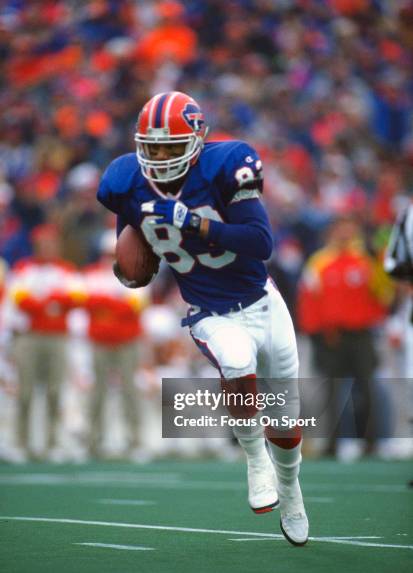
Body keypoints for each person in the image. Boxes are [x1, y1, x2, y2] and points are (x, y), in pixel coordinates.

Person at [97, 91, 308, 546]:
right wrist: (133, 268)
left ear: (197, 140)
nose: (160, 157)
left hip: (262, 302)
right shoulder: (122, 179)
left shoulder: (229, 163)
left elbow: (260, 242)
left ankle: (291, 492)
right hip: (208, 310)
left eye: (171, 146)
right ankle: (254, 460)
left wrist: (194, 223)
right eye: (151, 147)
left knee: (287, 419)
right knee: (235, 363)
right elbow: (132, 238)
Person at [297, 215, 394, 459]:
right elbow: (308, 299)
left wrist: (380, 262)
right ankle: (331, 445)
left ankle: (370, 443)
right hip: (331, 337)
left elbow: (383, 294)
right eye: (341, 229)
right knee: (331, 392)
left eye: (349, 229)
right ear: (332, 232)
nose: (345, 234)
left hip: (361, 335)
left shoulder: (367, 261)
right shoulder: (319, 262)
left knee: (367, 389)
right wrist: (315, 332)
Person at [5, 223, 81, 461]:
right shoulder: (23, 269)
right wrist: (51, 305)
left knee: (55, 391)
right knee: (25, 391)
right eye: (43, 243)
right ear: (36, 245)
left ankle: (52, 442)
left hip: (57, 337)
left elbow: (75, 299)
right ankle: (21, 442)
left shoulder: (67, 270)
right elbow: (19, 301)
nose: (48, 247)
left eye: (51, 243)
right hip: (30, 336)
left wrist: (43, 304)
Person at [82, 229, 148, 458]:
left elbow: (134, 307)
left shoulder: (137, 272)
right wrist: (112, 304)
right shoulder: (91, 275)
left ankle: (135, 441)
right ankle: (93, 441)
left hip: (127, 342)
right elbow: (86, 303)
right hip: (100, 341)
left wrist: (104, 306)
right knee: (97, 392)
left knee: (130, 391)